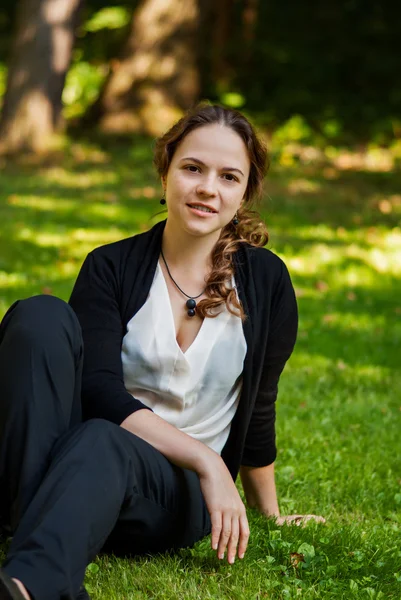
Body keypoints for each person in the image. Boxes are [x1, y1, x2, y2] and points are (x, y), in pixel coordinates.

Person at [0, 104, 323, 600]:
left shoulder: (267, 282)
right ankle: (38, 525)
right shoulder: (110, 266)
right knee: (40, 316)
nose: (207, 188)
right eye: (193, 168)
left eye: (228, 176)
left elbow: (259, 407)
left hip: (176, 491)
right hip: (82, 457)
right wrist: (210, 461)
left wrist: (266, 510)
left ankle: (31, 581)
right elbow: (99, 390)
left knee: (102, 440)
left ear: (244, 192)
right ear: (166, 169)